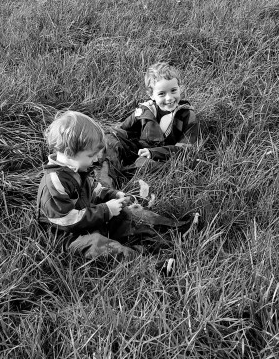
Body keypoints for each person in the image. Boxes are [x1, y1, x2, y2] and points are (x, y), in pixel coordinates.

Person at [37, 110, 143, 258]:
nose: (95, 160)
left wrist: (113, 195)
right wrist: (105, 210)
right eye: (90, 156)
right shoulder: (55, 182)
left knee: (123, 214)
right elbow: (66, 220)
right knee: (98, 244)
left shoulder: (76, 169)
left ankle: (148, 236)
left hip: (86, 220)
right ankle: (147, 261)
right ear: (68, 153)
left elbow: (94, 190)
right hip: (66, 235)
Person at [99, 62, 200, 188]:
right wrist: (113, 139)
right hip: (138, 148)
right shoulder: (146, 110)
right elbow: (123, 130)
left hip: (161, 157)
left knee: (146, 165)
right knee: (109, 141)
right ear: (151, 94)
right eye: (162, 94)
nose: (169, 98)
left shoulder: (187, 115)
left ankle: (125, 177)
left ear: (180, 88)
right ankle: (105, 183)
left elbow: (186, 148)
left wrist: (154, 153)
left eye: (173, 91)